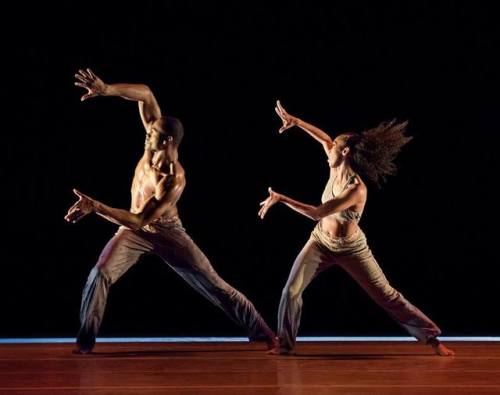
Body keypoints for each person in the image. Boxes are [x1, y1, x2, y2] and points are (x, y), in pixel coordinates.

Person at [65, 68, 276, 353]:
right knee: (101, 272)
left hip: (166, 231)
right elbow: (146, 93)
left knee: (214, 284)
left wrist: (96, 207)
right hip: (133, 230)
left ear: (167, 141)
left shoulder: (173, 179)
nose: (146, 134)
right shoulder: (153, 144)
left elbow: (141, 219)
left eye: (151, 133)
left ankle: (262, 332)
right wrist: (107, 89)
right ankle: (85, 341)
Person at [258, 100, 454, 357]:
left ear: (346, 151)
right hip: (320, 242)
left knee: (387, 295)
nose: (330, 148)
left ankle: (432, 339)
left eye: (336, 147)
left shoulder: (356, 188)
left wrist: (281, 199)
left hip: (351, 248)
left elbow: (318, 212)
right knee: (291, 290)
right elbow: (324, 138)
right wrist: (296, 122)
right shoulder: (335, 162)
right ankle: (285, 344)